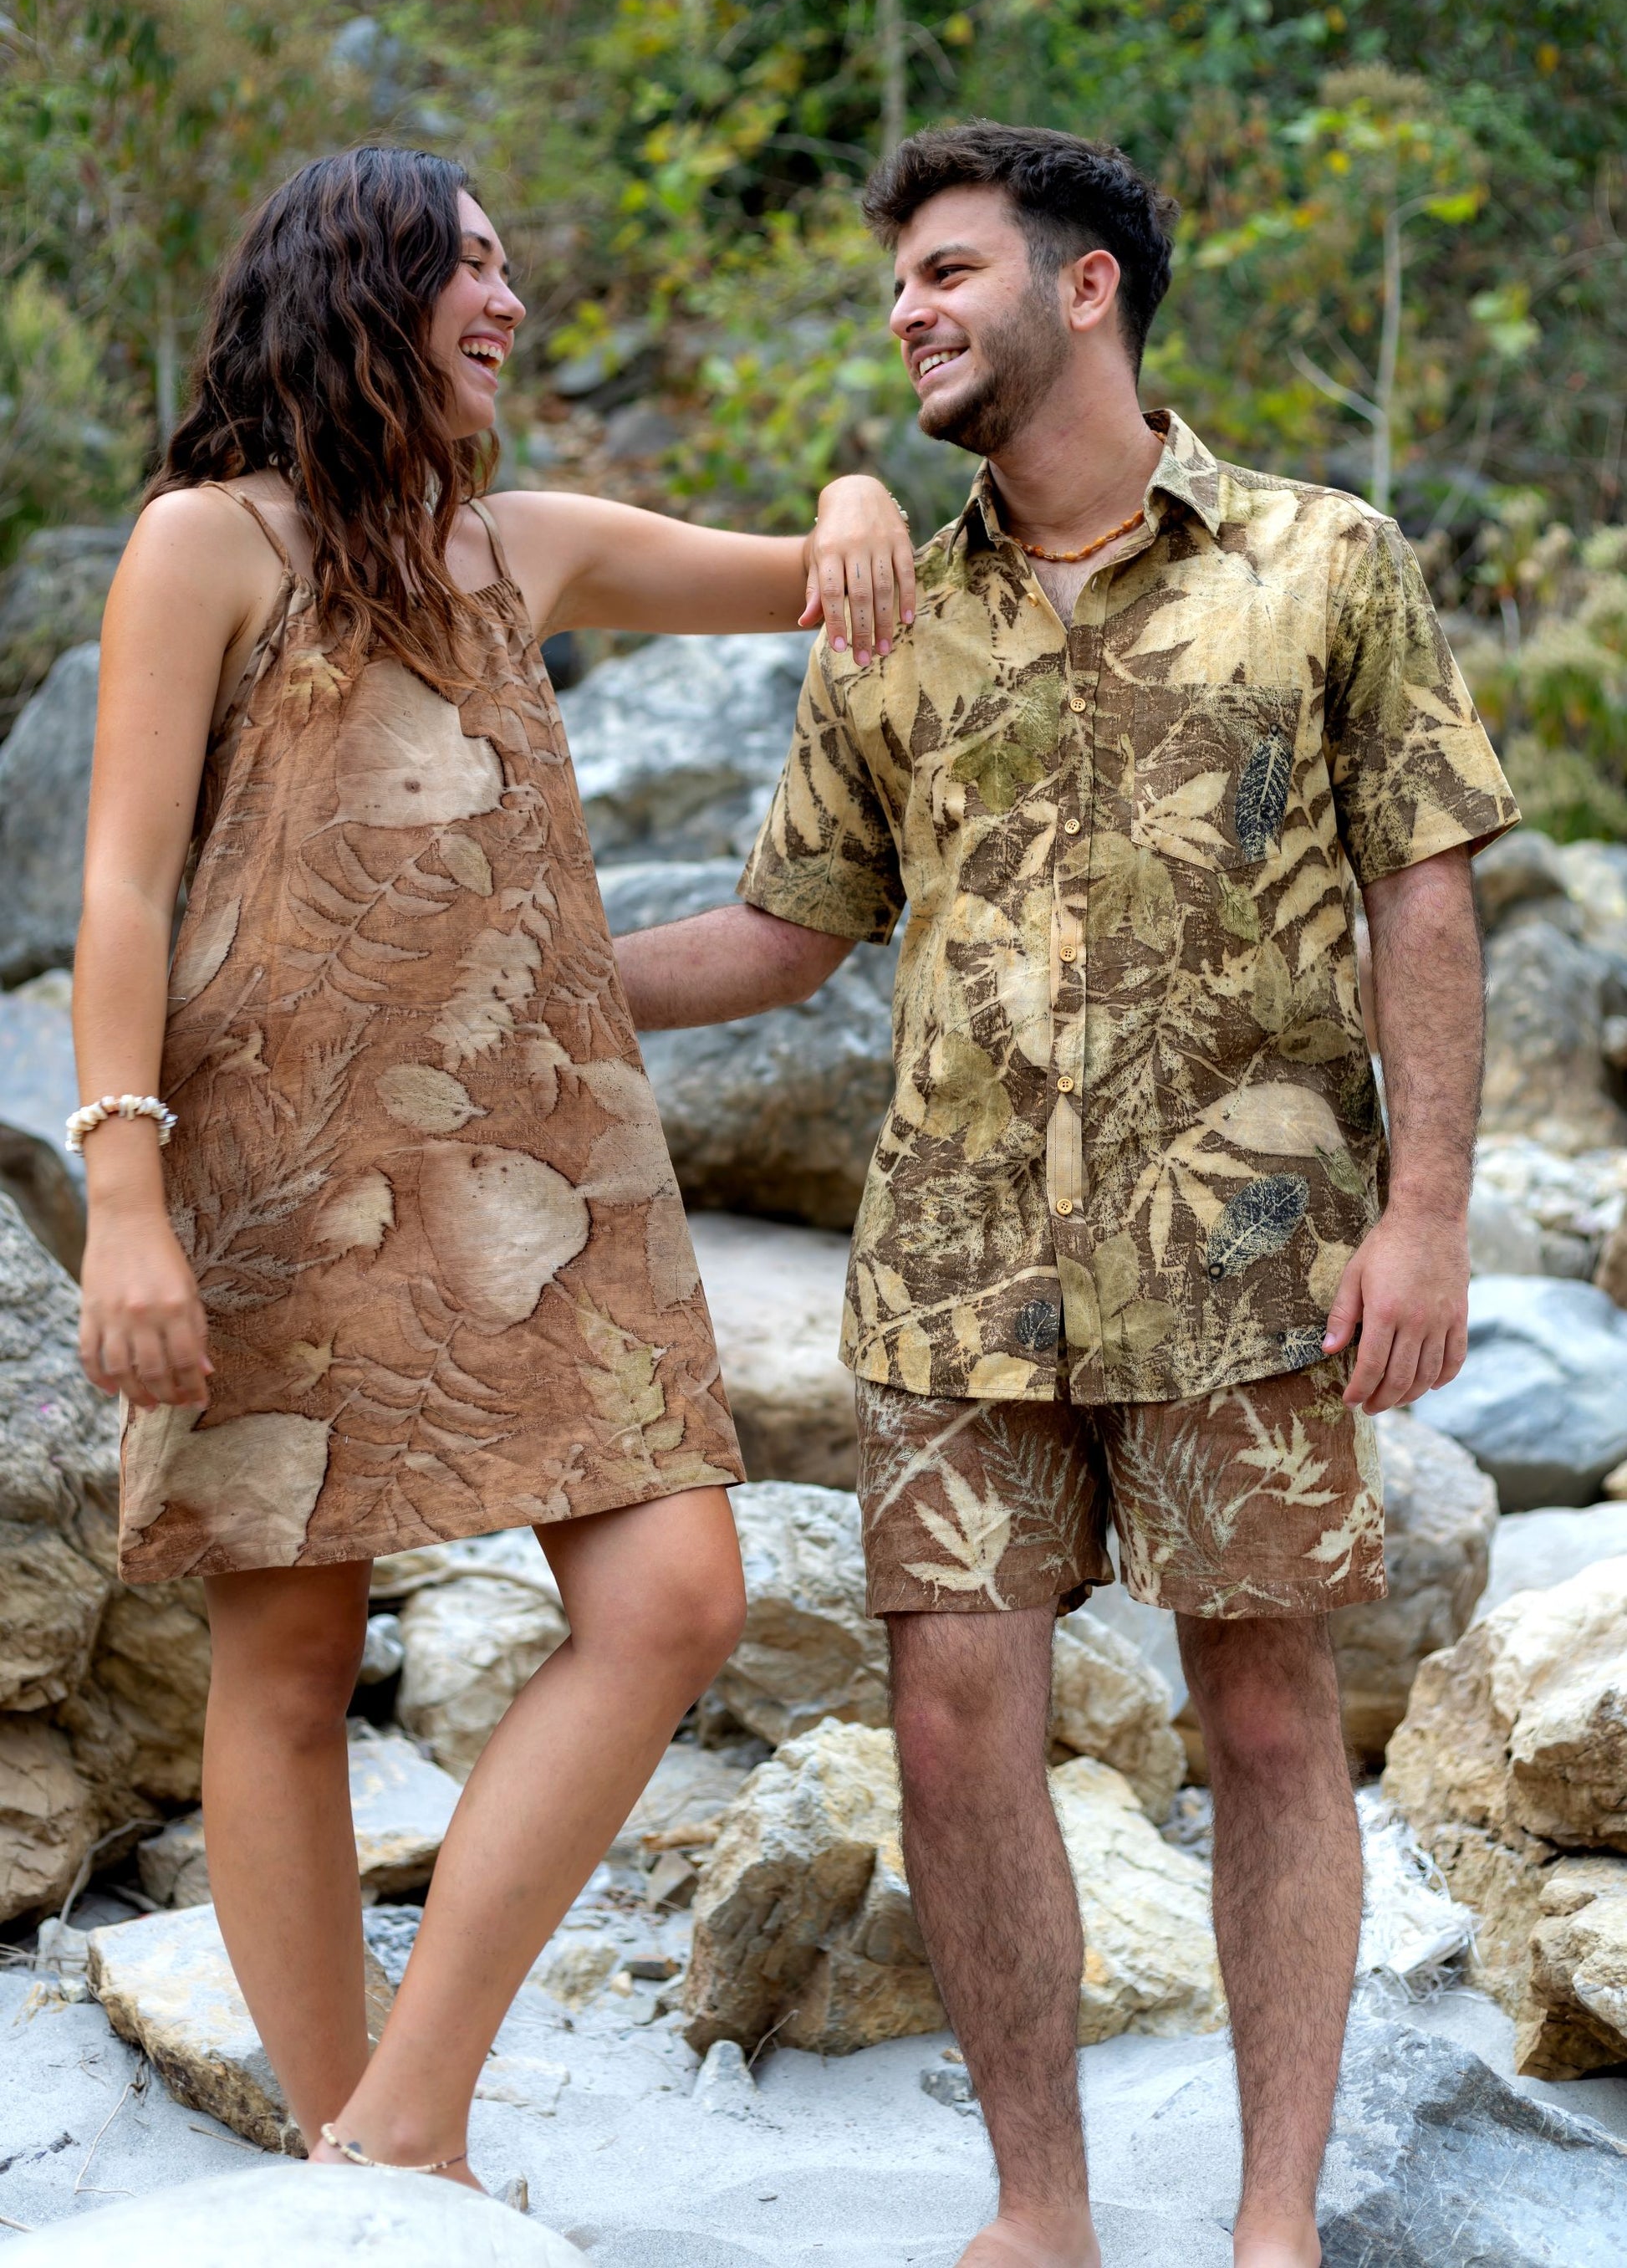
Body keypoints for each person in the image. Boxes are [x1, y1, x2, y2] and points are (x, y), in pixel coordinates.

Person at [613, 120, 1517, 2268]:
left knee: (1270, 1712)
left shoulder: (1322, 560)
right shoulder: (891, 615)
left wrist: (1430, 1212)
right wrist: (528, 968)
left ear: (1082, 283)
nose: (906, 312)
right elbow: (783, 934)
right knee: (950, 1733)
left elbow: (1424, 886)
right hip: (956, 1272)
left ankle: (1273, 2222)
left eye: (946, 271)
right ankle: (1042, 2214)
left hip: (1251, 1261)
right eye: (897, 283)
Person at [71, 144, 913, 2194]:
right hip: (275, 1170)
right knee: (285, 1662)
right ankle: (372, 2160)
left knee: (677, 1595)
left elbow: (808, 573)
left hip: (544, 1170)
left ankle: (400, 2112)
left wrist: (855, 490)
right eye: (468, 263)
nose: (510, 300)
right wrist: (123, 1195)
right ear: (354, 285)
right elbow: (120, 883)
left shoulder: (522, 544)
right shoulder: (206, 540)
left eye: (510, 264)